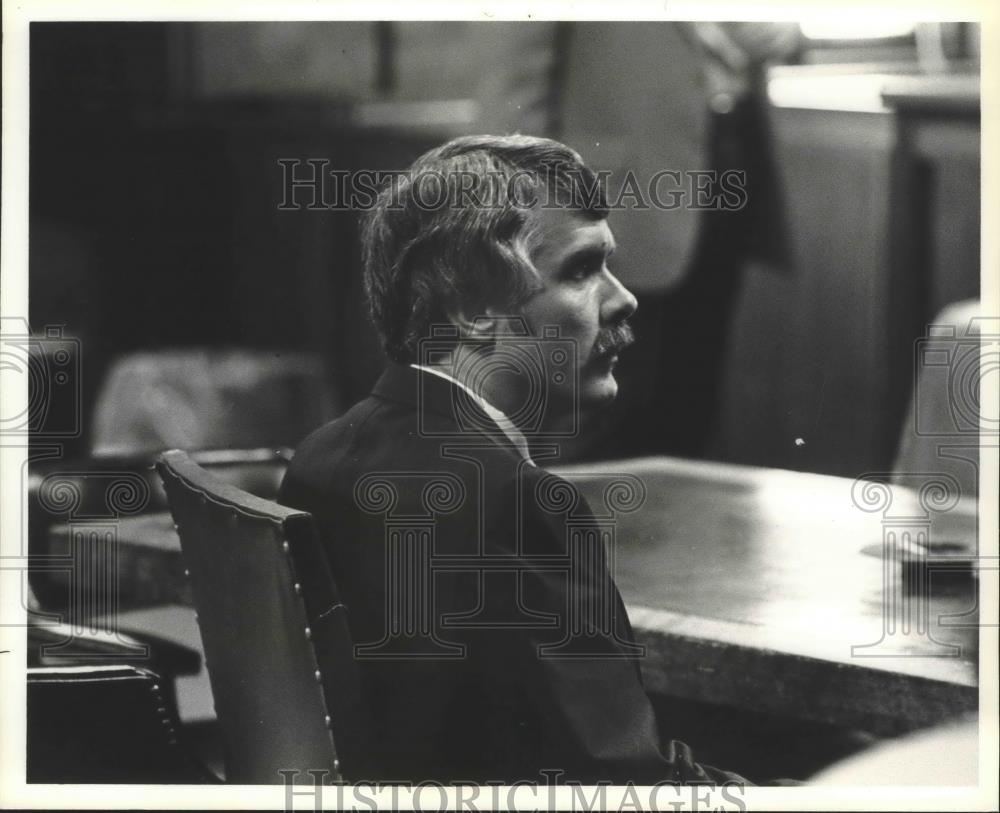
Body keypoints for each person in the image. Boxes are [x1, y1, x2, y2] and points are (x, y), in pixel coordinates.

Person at [278, 135, 748, 785]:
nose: (624, 299)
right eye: (582, 271)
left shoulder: (321, 456)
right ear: (472, 308)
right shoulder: (518, 503)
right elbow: (625, 788)